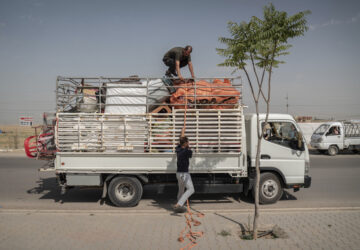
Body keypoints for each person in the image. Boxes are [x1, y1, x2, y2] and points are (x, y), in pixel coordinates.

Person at [173, 127, 194, 212]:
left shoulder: (178, 149)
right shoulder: (187, 151)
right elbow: (190, 153)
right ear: (185, 143)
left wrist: (182, 132)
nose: (189, 142)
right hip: (184, 174)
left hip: (178, 174)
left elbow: (181, 141)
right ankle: (179, 204)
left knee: (181, 190)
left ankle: (179, 205)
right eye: (188, 142)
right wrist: (188, 147)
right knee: (191, 189)